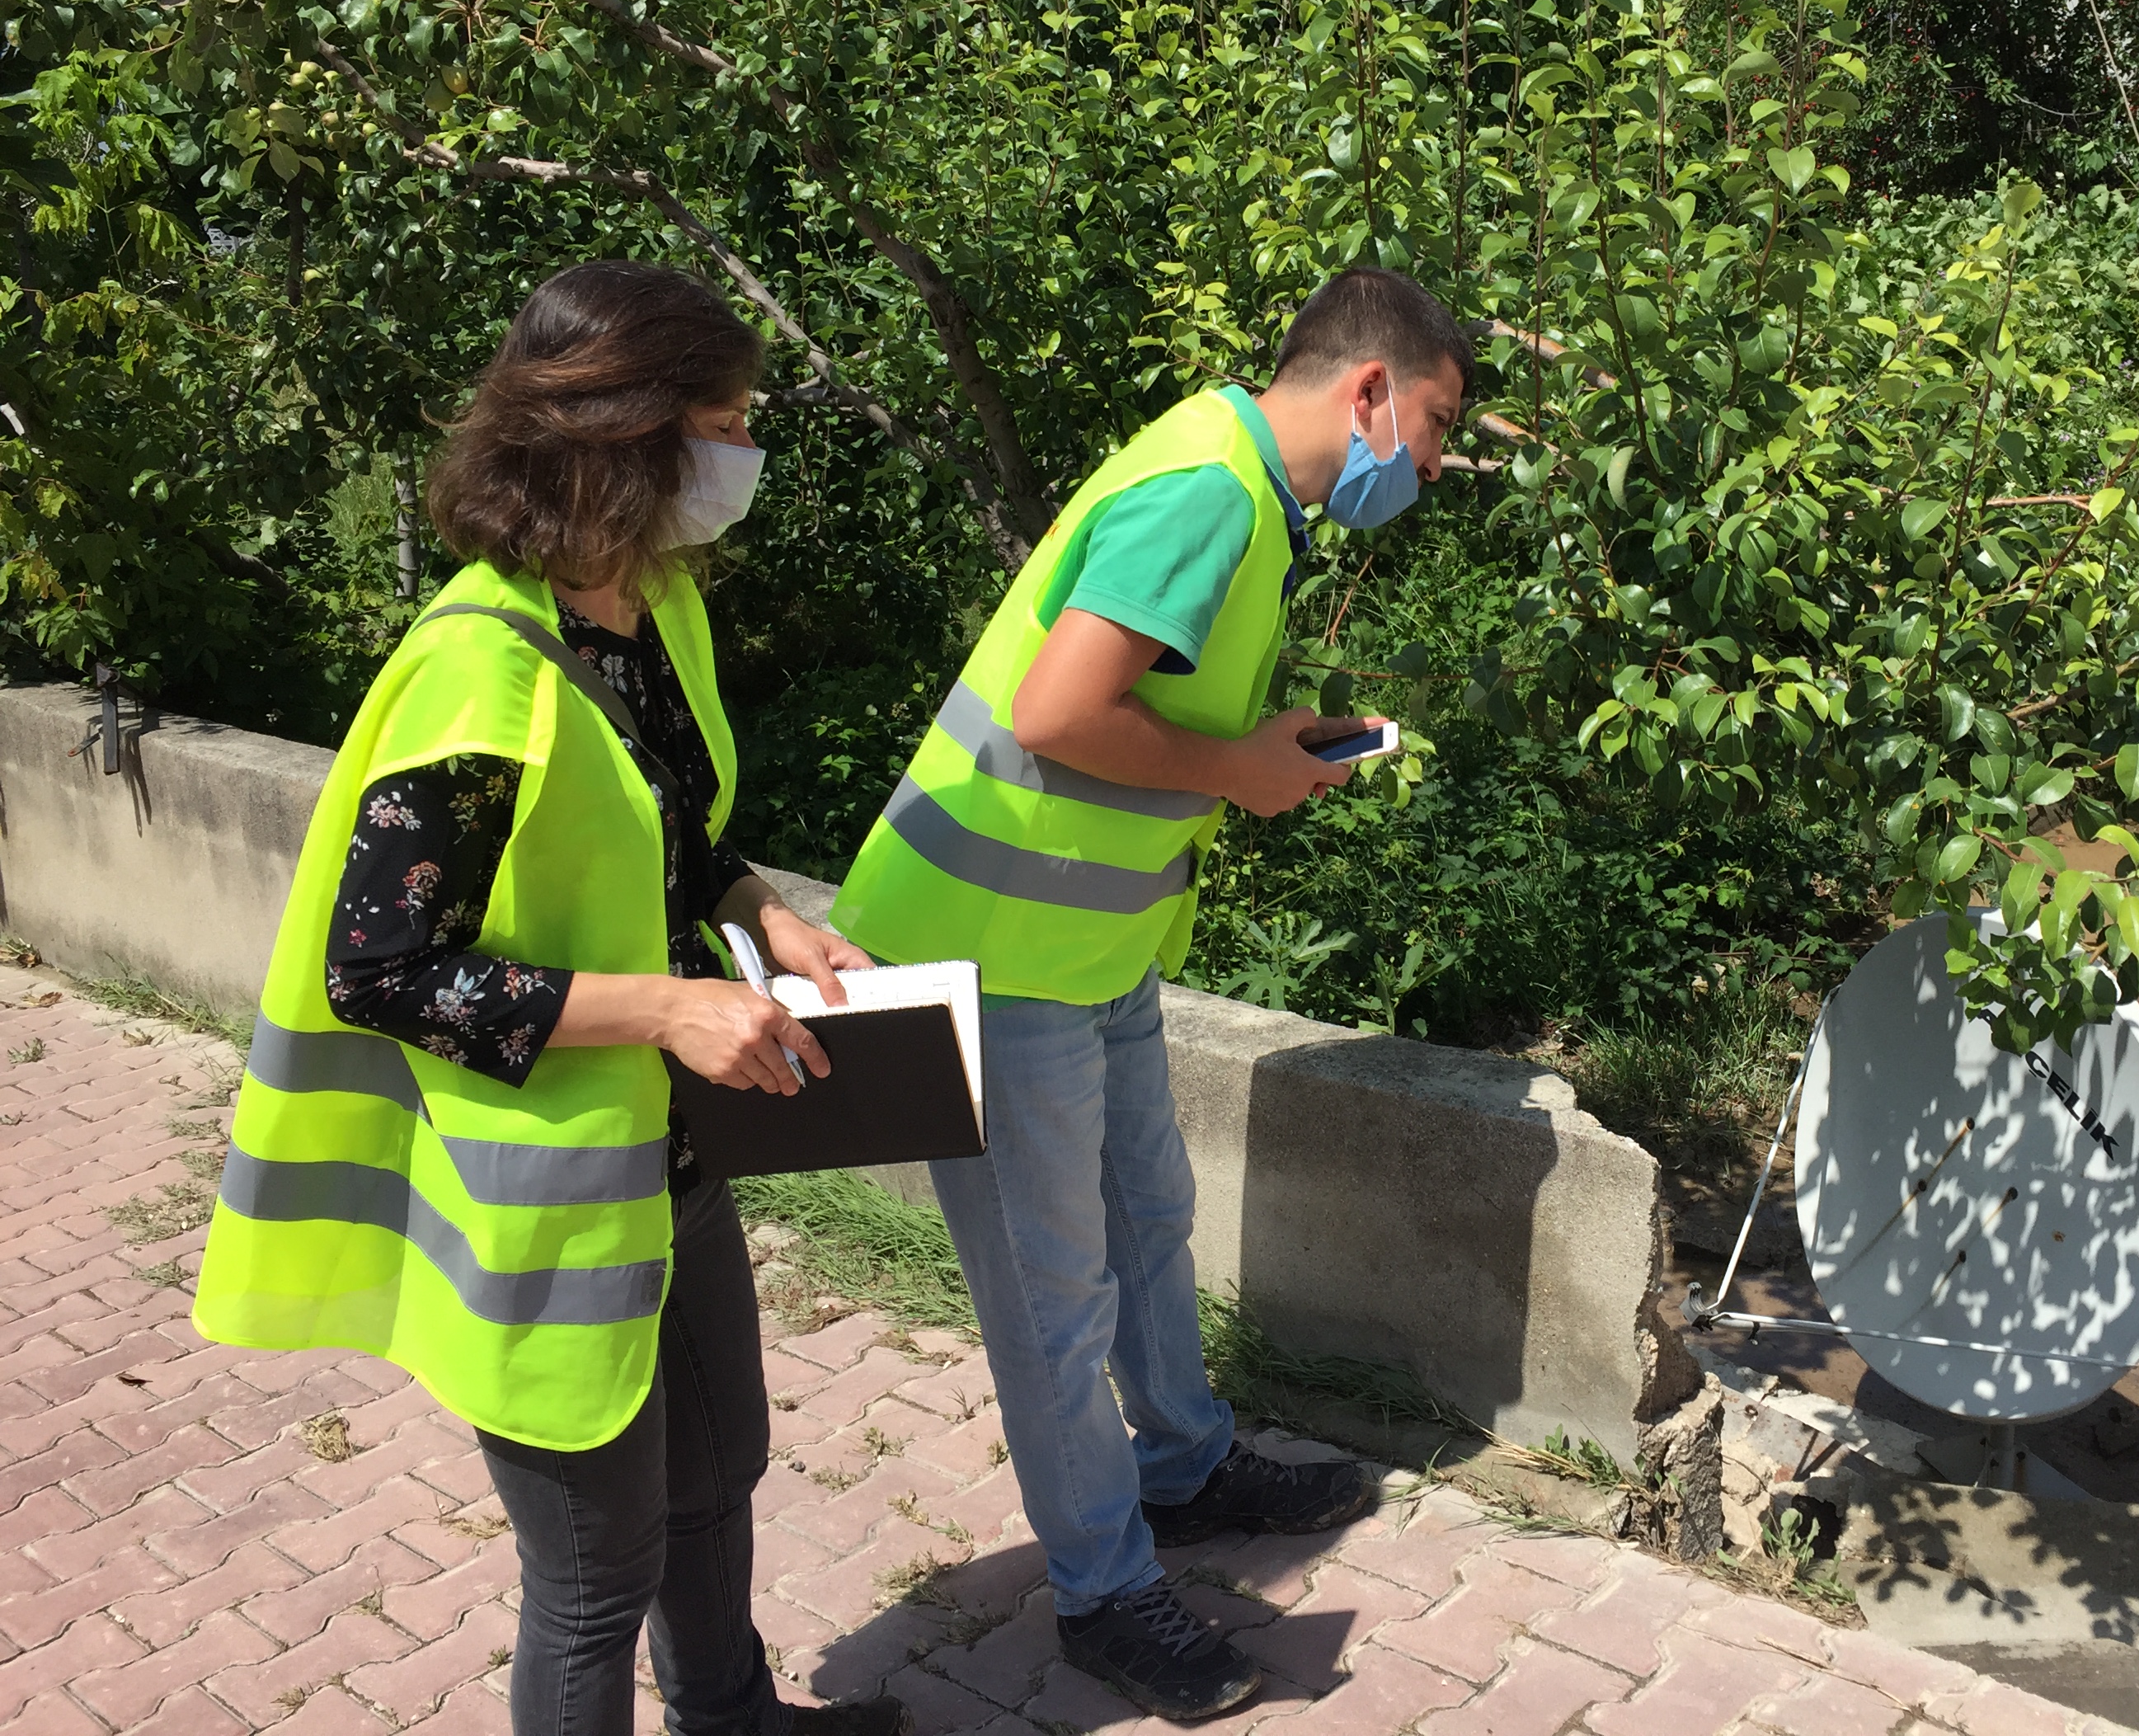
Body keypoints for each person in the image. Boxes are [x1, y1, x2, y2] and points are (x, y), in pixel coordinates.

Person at [194, 261, 890, 1736]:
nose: (746, 452)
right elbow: (379, 968)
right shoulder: (477, 672)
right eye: (729, 419)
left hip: (673, 1161)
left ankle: (735, 1718)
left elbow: (671, 834)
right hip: (544, 1199)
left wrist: (769, 915)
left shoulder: (653, 610)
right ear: (632, 433)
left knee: (721, 1475)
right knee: (591, 1577)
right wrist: (666, 1010)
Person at [829, 266, 1470, 1722]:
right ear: (1369, 388)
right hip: (995, 955)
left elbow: (1140, 703)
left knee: (1147, 1219)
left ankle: (1181, 1467)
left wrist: (1253, 742)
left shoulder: (1233, 473)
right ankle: (1106, 1594)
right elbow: (1062, 713)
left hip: (1082, 945)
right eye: (1432, 425)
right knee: (1055, 1298)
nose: (1430, 466)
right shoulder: (1213, 492)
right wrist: (1239, 771)